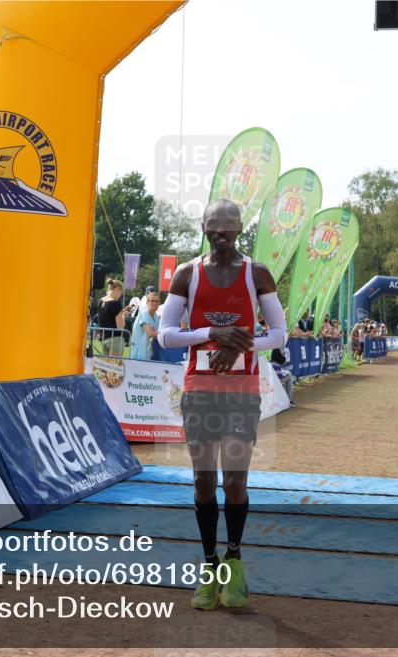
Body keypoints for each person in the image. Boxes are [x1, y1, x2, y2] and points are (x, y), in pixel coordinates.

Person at [157, 199, 286, 611]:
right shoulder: (187, 273)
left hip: (241, 391)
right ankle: (209, 565)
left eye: (228, 226)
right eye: (213, 225)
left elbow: (279, 334)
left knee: (234, 482)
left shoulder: (256, 273)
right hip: (199, 390)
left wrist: (239, 347)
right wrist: (213, 334)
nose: (221, 233)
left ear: (240, 228)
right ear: (203, 226)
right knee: (202, 481)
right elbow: (165, 334)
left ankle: (233, 558)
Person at [96, 278, 130, 356]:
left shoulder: (100, 301)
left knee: (105, 363)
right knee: (115, 363)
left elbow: (108, 317)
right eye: (121, 292)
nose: (120, 296)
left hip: (103, 339)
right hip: (115, 339)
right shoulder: (115, 304)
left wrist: (121, 313)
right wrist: (123, 316)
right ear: (117, 289)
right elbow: (120, 326)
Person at [129, 291, 160, 360]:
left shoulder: (156, 317)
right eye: (152, 301)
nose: (154, 303)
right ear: (147, 302)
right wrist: (165, 335)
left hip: (149, 354)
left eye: (156, 301)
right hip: (139, 354)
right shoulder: (144, 314)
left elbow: (157, 333)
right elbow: (150, 333)